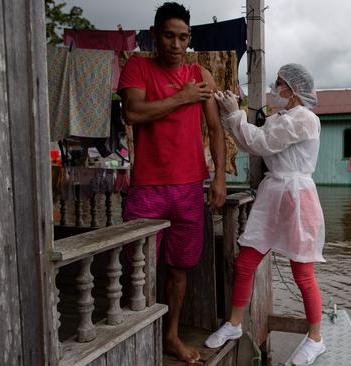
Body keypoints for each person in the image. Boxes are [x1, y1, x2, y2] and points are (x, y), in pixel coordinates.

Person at [117, 2, 226, 363]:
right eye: (169, 36)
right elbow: (133, 113)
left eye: (183, 37)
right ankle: (135, 337)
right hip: (147, 187)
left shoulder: (200, 74)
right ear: (155, 34)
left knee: (180, 268)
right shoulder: (138, 66)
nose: (176, 45)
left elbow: (215, 129)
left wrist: (220, 178)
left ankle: (171, 336)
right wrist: (182, 97)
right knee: (138, 266)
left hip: (189, 187)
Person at [205, 64, 327, 366]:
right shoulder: (280, 118)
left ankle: (316, 338)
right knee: (246, 260)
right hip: (274, 193)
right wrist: (233, 113)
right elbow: (254, 141)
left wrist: (235, 115)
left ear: (293, 90)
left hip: (298, 196)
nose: (275, 89)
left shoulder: (306, 119)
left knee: (302, 272)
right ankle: (234, 324)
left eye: (279, 84)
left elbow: (259, 144)